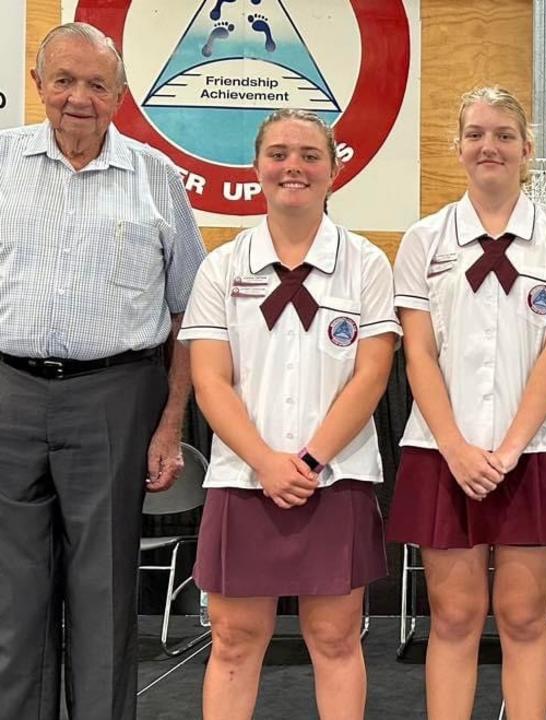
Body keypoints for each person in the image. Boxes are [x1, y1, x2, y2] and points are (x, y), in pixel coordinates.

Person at [0, 22, 206, 719]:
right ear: (38, 86)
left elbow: (188, 315)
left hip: (117, 396)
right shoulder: (0, 165)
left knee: (104, 594)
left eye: (96, 85)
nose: (77, 98)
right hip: (10, 394)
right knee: (11, 595)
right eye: (63, 80)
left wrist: (171, 422)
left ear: (119, 96)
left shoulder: (157, 179)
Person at [386, 86, 546, 720]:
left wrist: (507, 451)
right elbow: (417, 356)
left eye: (504, 135)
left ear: (528, 150)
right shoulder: (424, 241)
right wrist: (455, 446)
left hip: (534, 451)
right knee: (453, 616)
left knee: (524, 615)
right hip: (441, 450)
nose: (490, 146)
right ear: (457, 147)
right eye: (476, 134)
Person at [180, 109, 397, 719]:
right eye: (278, 153)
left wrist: (306, 460)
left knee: (334, 638)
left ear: (334, 169)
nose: (292, 166)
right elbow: (210, 380)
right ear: (257, 168)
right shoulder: (221, 269)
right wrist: (267, 463)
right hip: (245, 480)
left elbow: (372, 374)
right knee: (233, 640)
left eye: (308, 154)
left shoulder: (367, 264)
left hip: (335, 478)